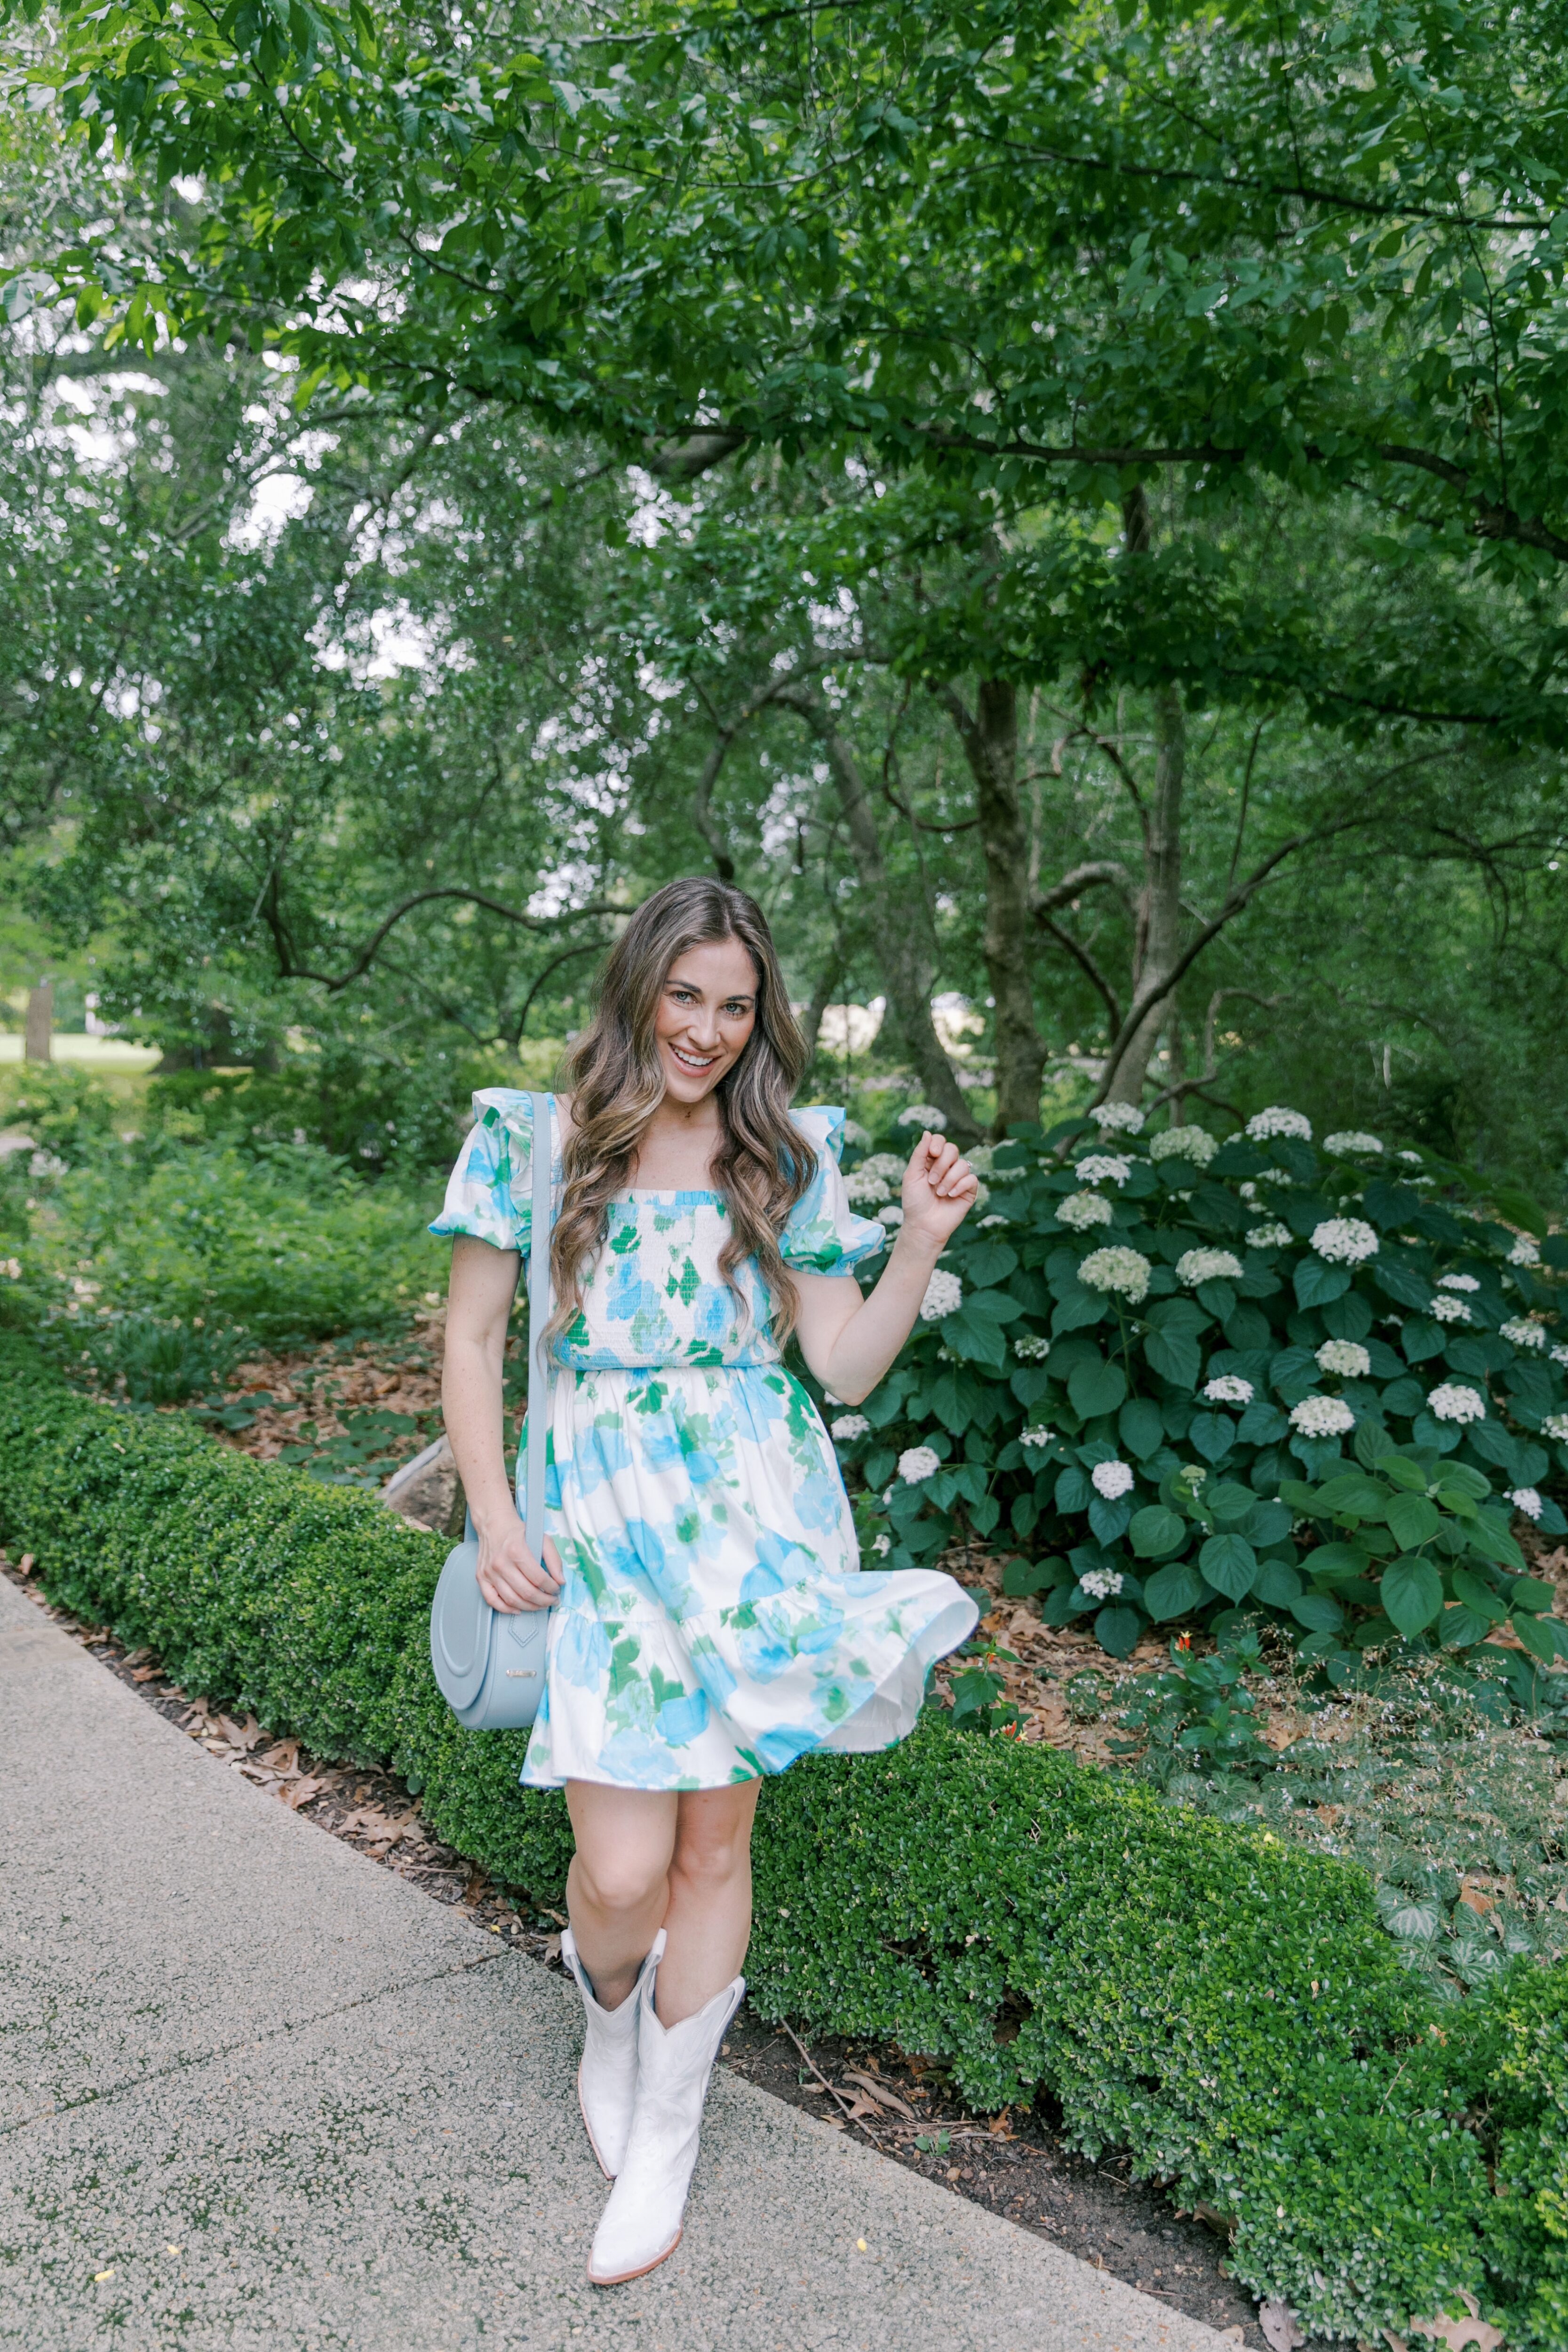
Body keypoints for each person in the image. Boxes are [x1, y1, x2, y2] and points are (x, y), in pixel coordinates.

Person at [433, 877, 980, 2287]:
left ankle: (667, 2136)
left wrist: (916, 1242)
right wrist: (494, 1512)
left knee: (711, 1851)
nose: (709, 1032)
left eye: (736, 1007)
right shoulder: (538, 1142)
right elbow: (475, 1337)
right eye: (687, 998)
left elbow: (844, 1367)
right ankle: (605, 2018)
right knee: (617, 1874)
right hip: (603, 1531)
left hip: (752, 1536)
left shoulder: (784, 1156)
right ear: (640, 989)